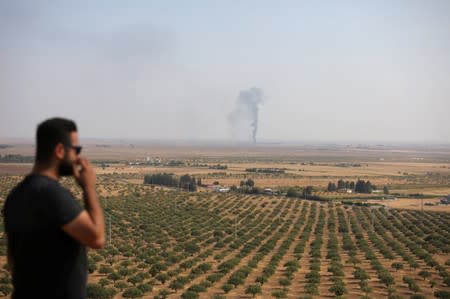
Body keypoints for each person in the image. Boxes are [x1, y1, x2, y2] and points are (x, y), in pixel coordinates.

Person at [3, 117, 105, 299]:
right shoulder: (52, 194)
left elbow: (12, 259)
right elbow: (97, 238)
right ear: (59, 150)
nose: (77, 157)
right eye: (76, 150)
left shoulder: (15, 196)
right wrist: (88, 187)